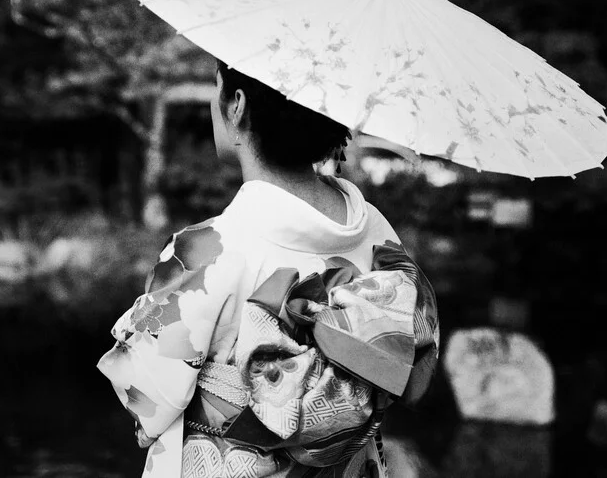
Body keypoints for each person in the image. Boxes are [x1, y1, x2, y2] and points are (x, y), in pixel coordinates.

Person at [98, 60, 439, 477]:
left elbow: (146, 393)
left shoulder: (206, 250)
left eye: (215, 87)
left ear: (237, 106)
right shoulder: (378, 231)